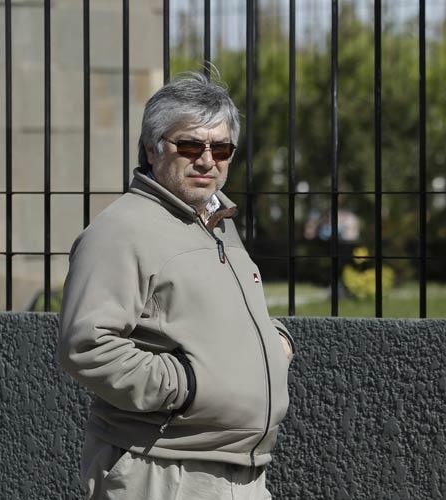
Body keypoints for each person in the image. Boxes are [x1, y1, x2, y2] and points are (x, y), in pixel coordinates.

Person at [57, 71, 294, 500]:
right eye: (189, 145)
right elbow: (87, 345)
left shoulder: (218, 224)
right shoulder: (120, 231)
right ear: (152, 149)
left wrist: (276, 343)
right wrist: (185, 386)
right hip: (163, 472)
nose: (207, 160)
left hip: (242, 470)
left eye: (221, 148)